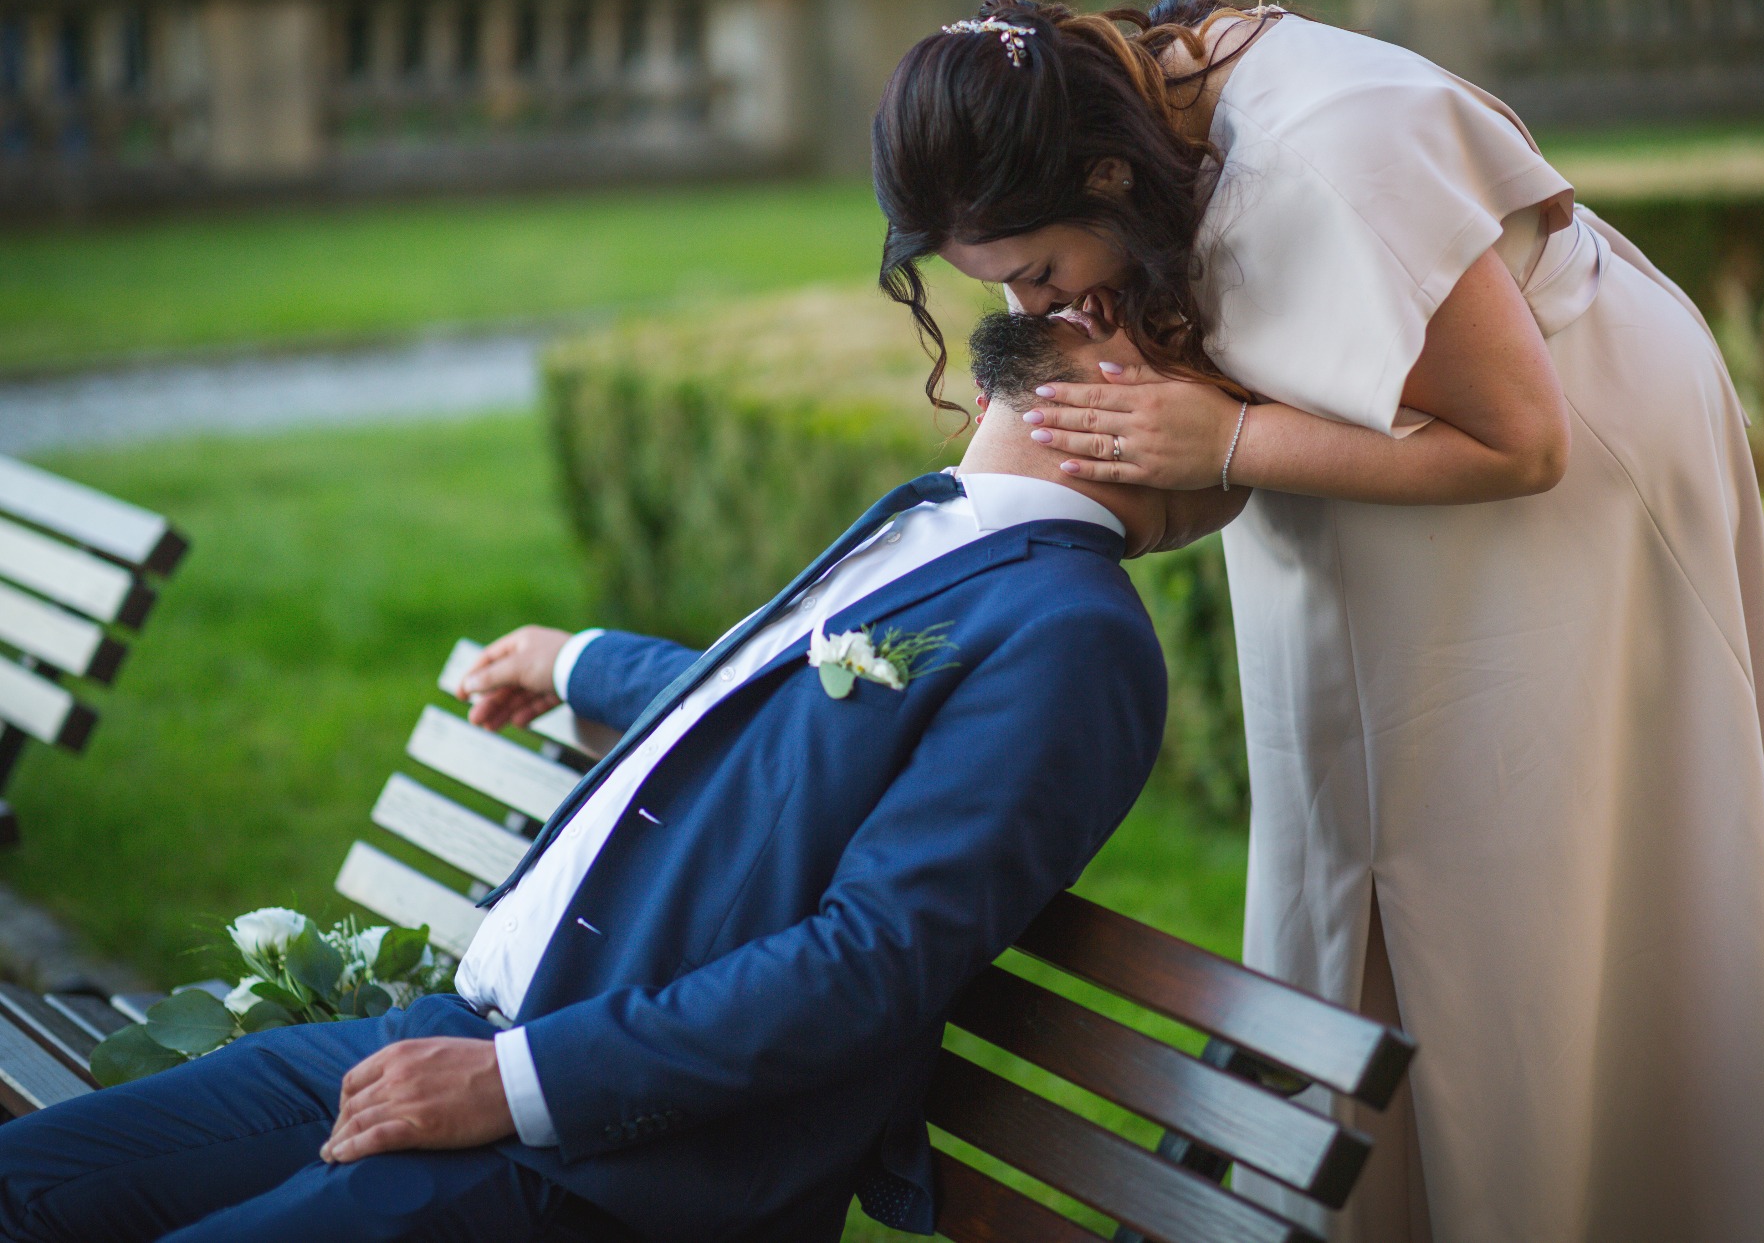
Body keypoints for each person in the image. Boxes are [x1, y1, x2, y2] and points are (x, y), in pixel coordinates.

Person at [872, 0, 1764, 1243]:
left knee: (1512, 882)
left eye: (1039, 275)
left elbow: (1522, 439)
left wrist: (1225, 440)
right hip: (1353, 479)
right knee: (1346, 846)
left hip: (1559, 483)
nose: (1032, 312)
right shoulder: (1139, 150)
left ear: (1098, 178)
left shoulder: (1320, 160)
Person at [0, 319, 1174, 1243]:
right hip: (452, 1036)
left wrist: (514, 1085)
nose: (1067, 294)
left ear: (1174, 406)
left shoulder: (1072, 631)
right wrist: (576, 661)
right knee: (26, 1181)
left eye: (1134, 310)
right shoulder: (949, 525)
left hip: (605, 1167)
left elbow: (869, 959)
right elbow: (772, 712)